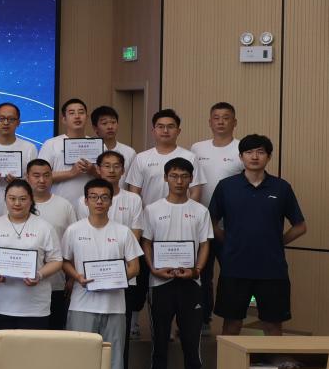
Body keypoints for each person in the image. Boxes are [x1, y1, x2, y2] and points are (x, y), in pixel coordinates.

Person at [210, 134, 307, 338]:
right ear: (241, 157)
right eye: (249, 152)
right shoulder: (226, 186)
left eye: (260, 152)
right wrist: (228, 242)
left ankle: (272, 359)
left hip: (272, 269)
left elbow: (300, 226)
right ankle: (230, 361)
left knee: (273, 326)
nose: (254, 157)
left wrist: (277, 243)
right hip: (234, 267)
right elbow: (211, 222)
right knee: (231, 325)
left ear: (268, 157)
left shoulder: (282, 187)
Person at [140, 158, 212, 369]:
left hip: (190, 283)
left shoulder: (200, 211)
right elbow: (146, 242)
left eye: (184, 176)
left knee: (191, 339)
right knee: (160, 337)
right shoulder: (152, 209)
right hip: (160, 283)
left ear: (191, 179)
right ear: (165, 178)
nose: (179, 181)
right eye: (174, 176)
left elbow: (205, 244)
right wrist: (153, 268)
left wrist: (196, 270)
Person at [62, 178, 142, 369]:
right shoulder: (73, 230)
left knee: (114, 359)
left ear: (111, 201)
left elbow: (135, 267)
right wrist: (77, 277)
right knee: (79, 357)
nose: (99, 201)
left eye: (104, 197)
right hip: (81, 305)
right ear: (86, 201)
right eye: (94, 197)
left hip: (115, 307)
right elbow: (65, 262)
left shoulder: (123, 232)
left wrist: (114, 279)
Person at [127, 109, 200, 342]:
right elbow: (134, 194)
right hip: (150, 226)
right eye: (160, 126)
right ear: (153, 130)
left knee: (180, 277)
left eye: (170, 126)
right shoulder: (141, 158)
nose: (165, 130)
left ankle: (179, 327)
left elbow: (196, 191)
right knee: (145, 277)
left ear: (178, 130)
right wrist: (144, 221)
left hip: (183, 228)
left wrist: (184, 215)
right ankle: (136, 322)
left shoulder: (189, 156)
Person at [0, 179, 64, 330]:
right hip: (1, 304)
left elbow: (56, 260)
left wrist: (39, 275)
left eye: (23, 199)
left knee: (33, 346)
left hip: (35, 306)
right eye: (12, 198)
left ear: (31, 200)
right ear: (5, 199)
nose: (17, 203)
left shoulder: (44, 227)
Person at [191, 101, 242, 327]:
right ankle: (203, 319)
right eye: (216, 117)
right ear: (210, 122)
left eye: (226, 117)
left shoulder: (241, 149)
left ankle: (232, 320)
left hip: (230, 225)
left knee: (231, 272)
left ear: (234, 122)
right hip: (200, 223)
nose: (221, 122)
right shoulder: (197, 148)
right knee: (201, 273)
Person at [27, 158, 78, 329]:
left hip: (57, 282)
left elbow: (73, 244)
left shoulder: (64, 206)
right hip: (23, 283)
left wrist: (72, 278)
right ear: (27, 177)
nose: (42, 180)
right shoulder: (17, 205)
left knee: (55, 332)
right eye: (36, 176)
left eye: (47, 175)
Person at [0, 102, 40, 215]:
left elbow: (35, 182)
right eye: (1, 118)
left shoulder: (29, 148)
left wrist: (18, 183)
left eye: (11, 119)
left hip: (20, 208)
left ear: (18, 122)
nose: (6, 122)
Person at [38, 98, 96, 207]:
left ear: (87, 117)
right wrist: (71, 173)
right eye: (72, 113)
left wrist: (93, 171)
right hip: (59, 206)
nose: (77, 116)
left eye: (81, 112)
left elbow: (108, 176)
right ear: (64, 119)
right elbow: (40, 176)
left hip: (91, 207)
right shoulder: (51, 144)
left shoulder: (97, 145)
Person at [90, 105, 137, 189]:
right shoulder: (88, 150)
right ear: (95, 128)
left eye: (113, 122)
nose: (110, 127)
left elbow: (133, 182)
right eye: (104, 123)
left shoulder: (129, 152)